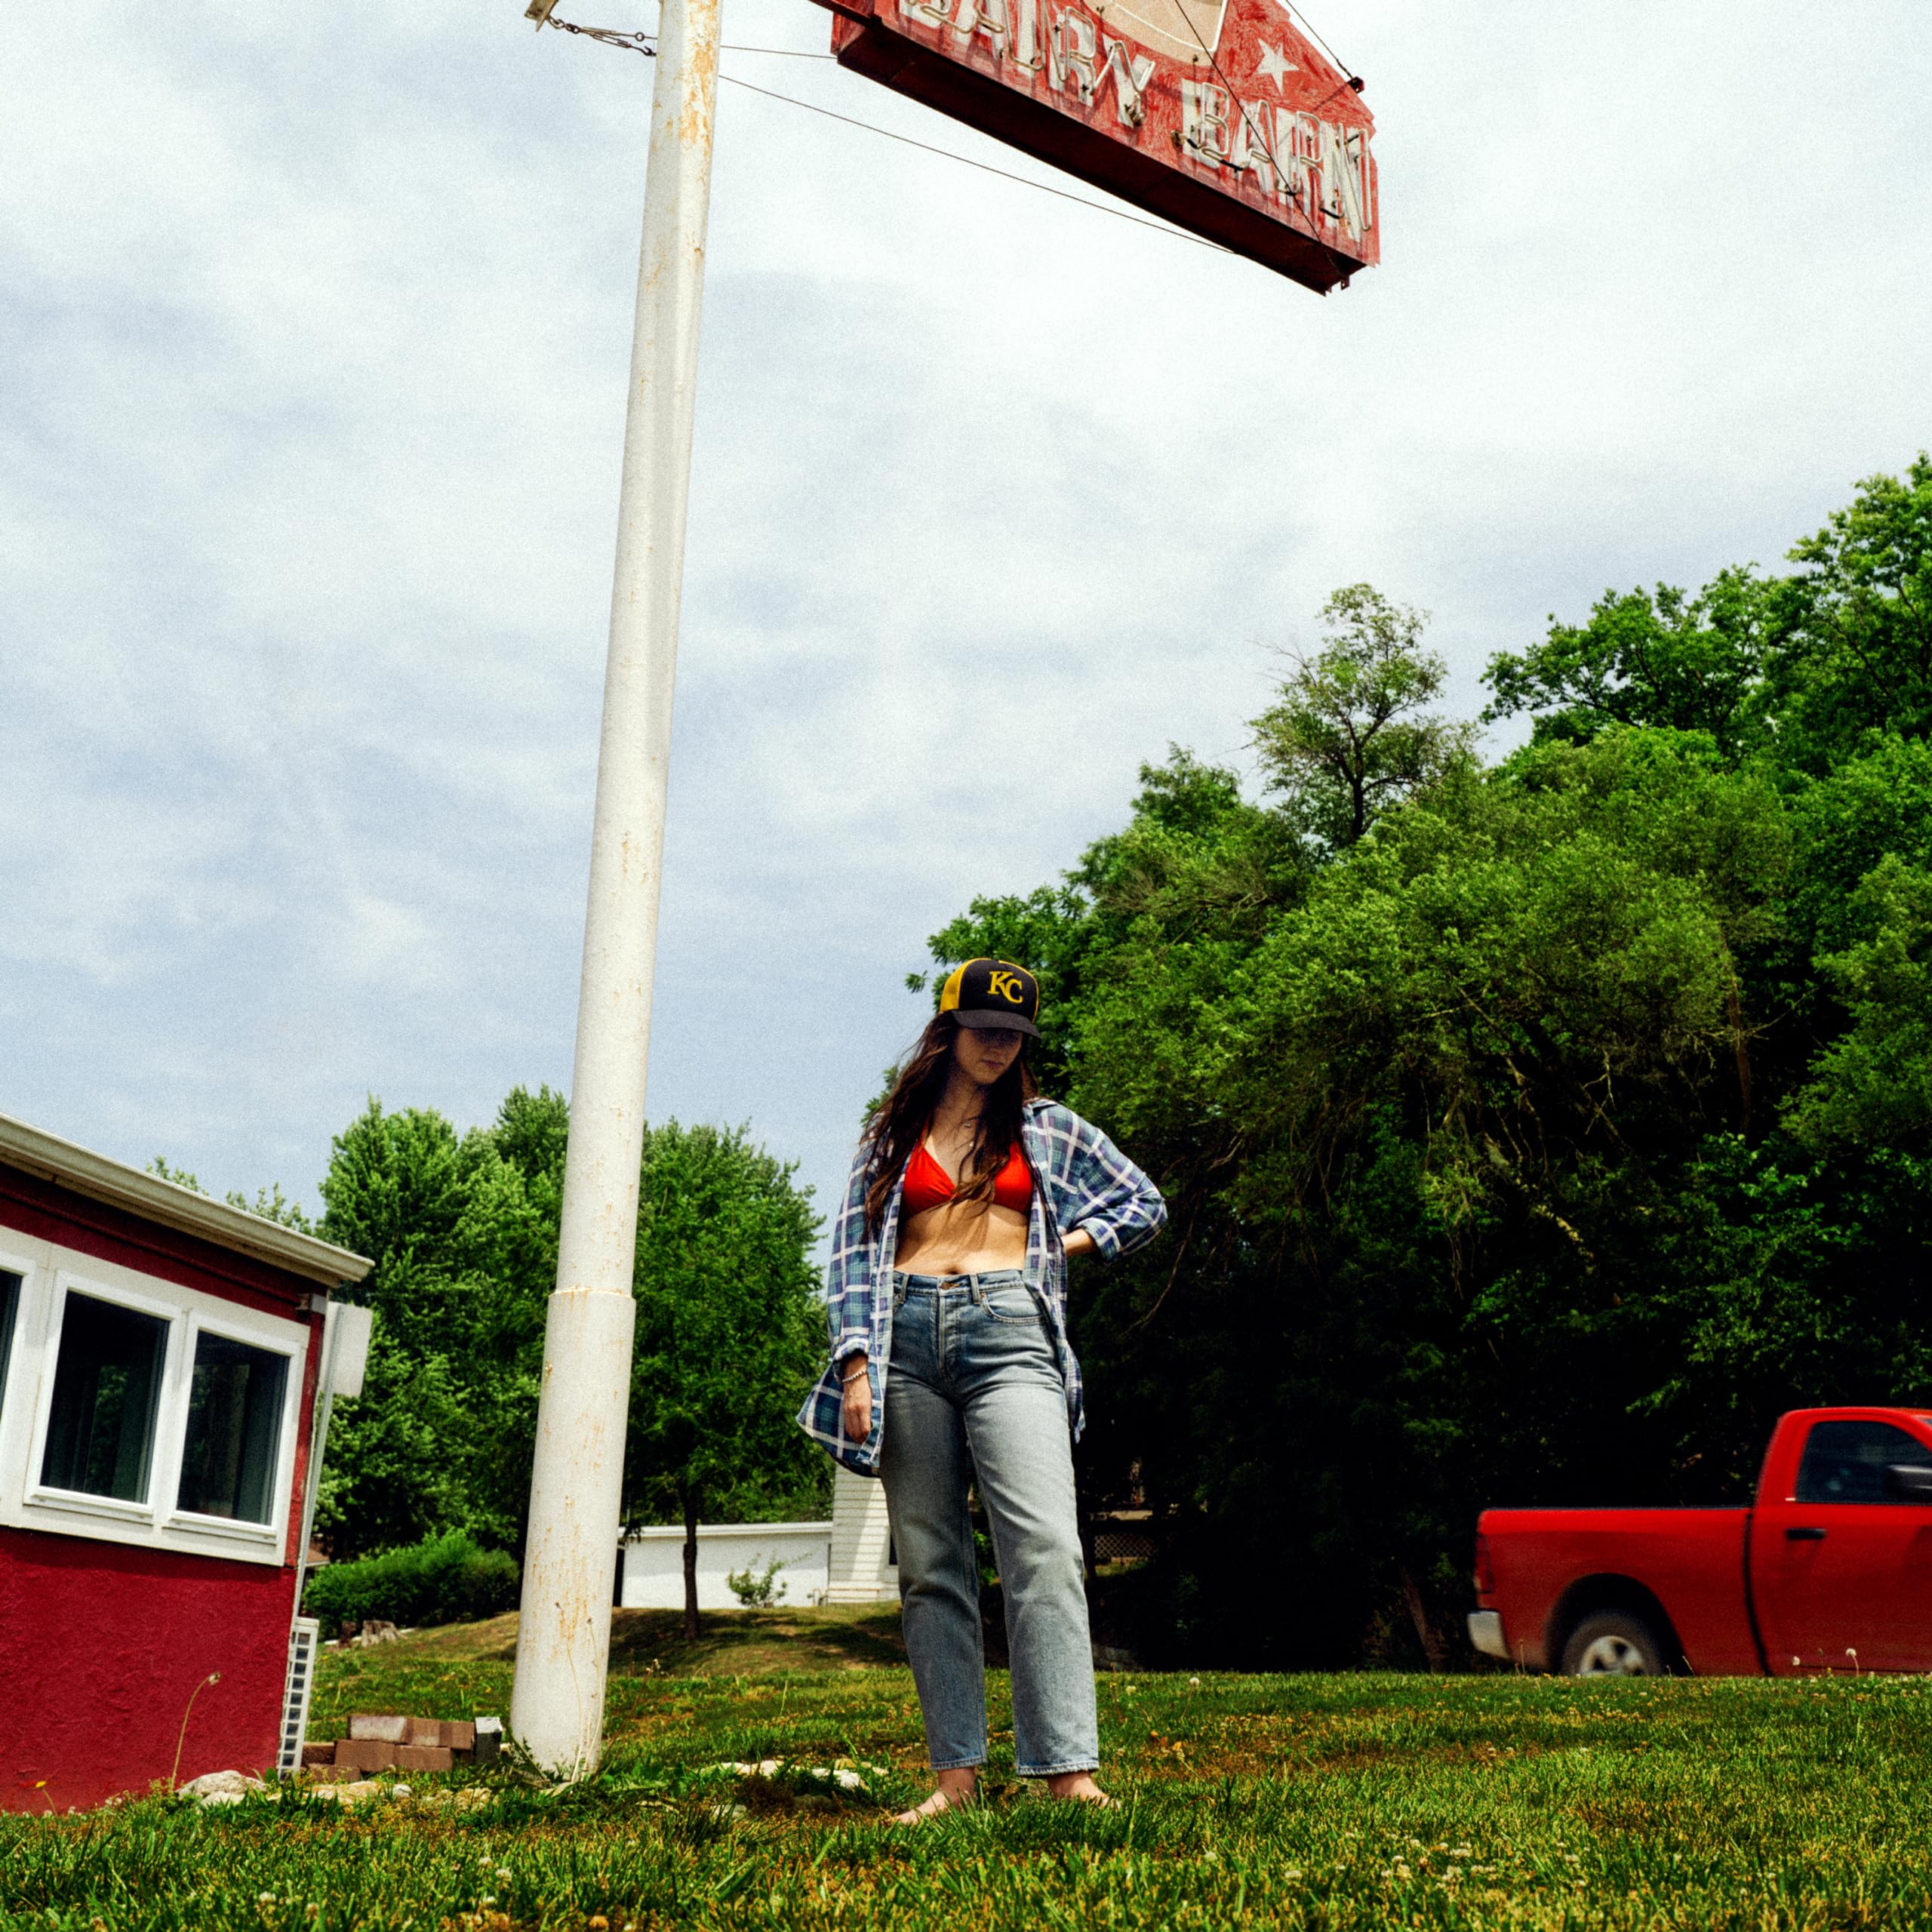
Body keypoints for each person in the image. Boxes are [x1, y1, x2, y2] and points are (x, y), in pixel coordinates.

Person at [796, 958, 1167, 1821]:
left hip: (1010, 1330)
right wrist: (856, 1364)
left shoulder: (1048, 1129)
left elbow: (1142, 1203)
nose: (999, 1046)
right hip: (903, 1338)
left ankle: (1067, 1772)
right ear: (949, 1032)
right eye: (985, 1030)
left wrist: (1060, 1248)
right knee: (930, 1564)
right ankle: (954, 1781)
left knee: (1043, 1546)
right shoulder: (888, 1137)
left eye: (1014, 1035)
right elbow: (851, 1257)